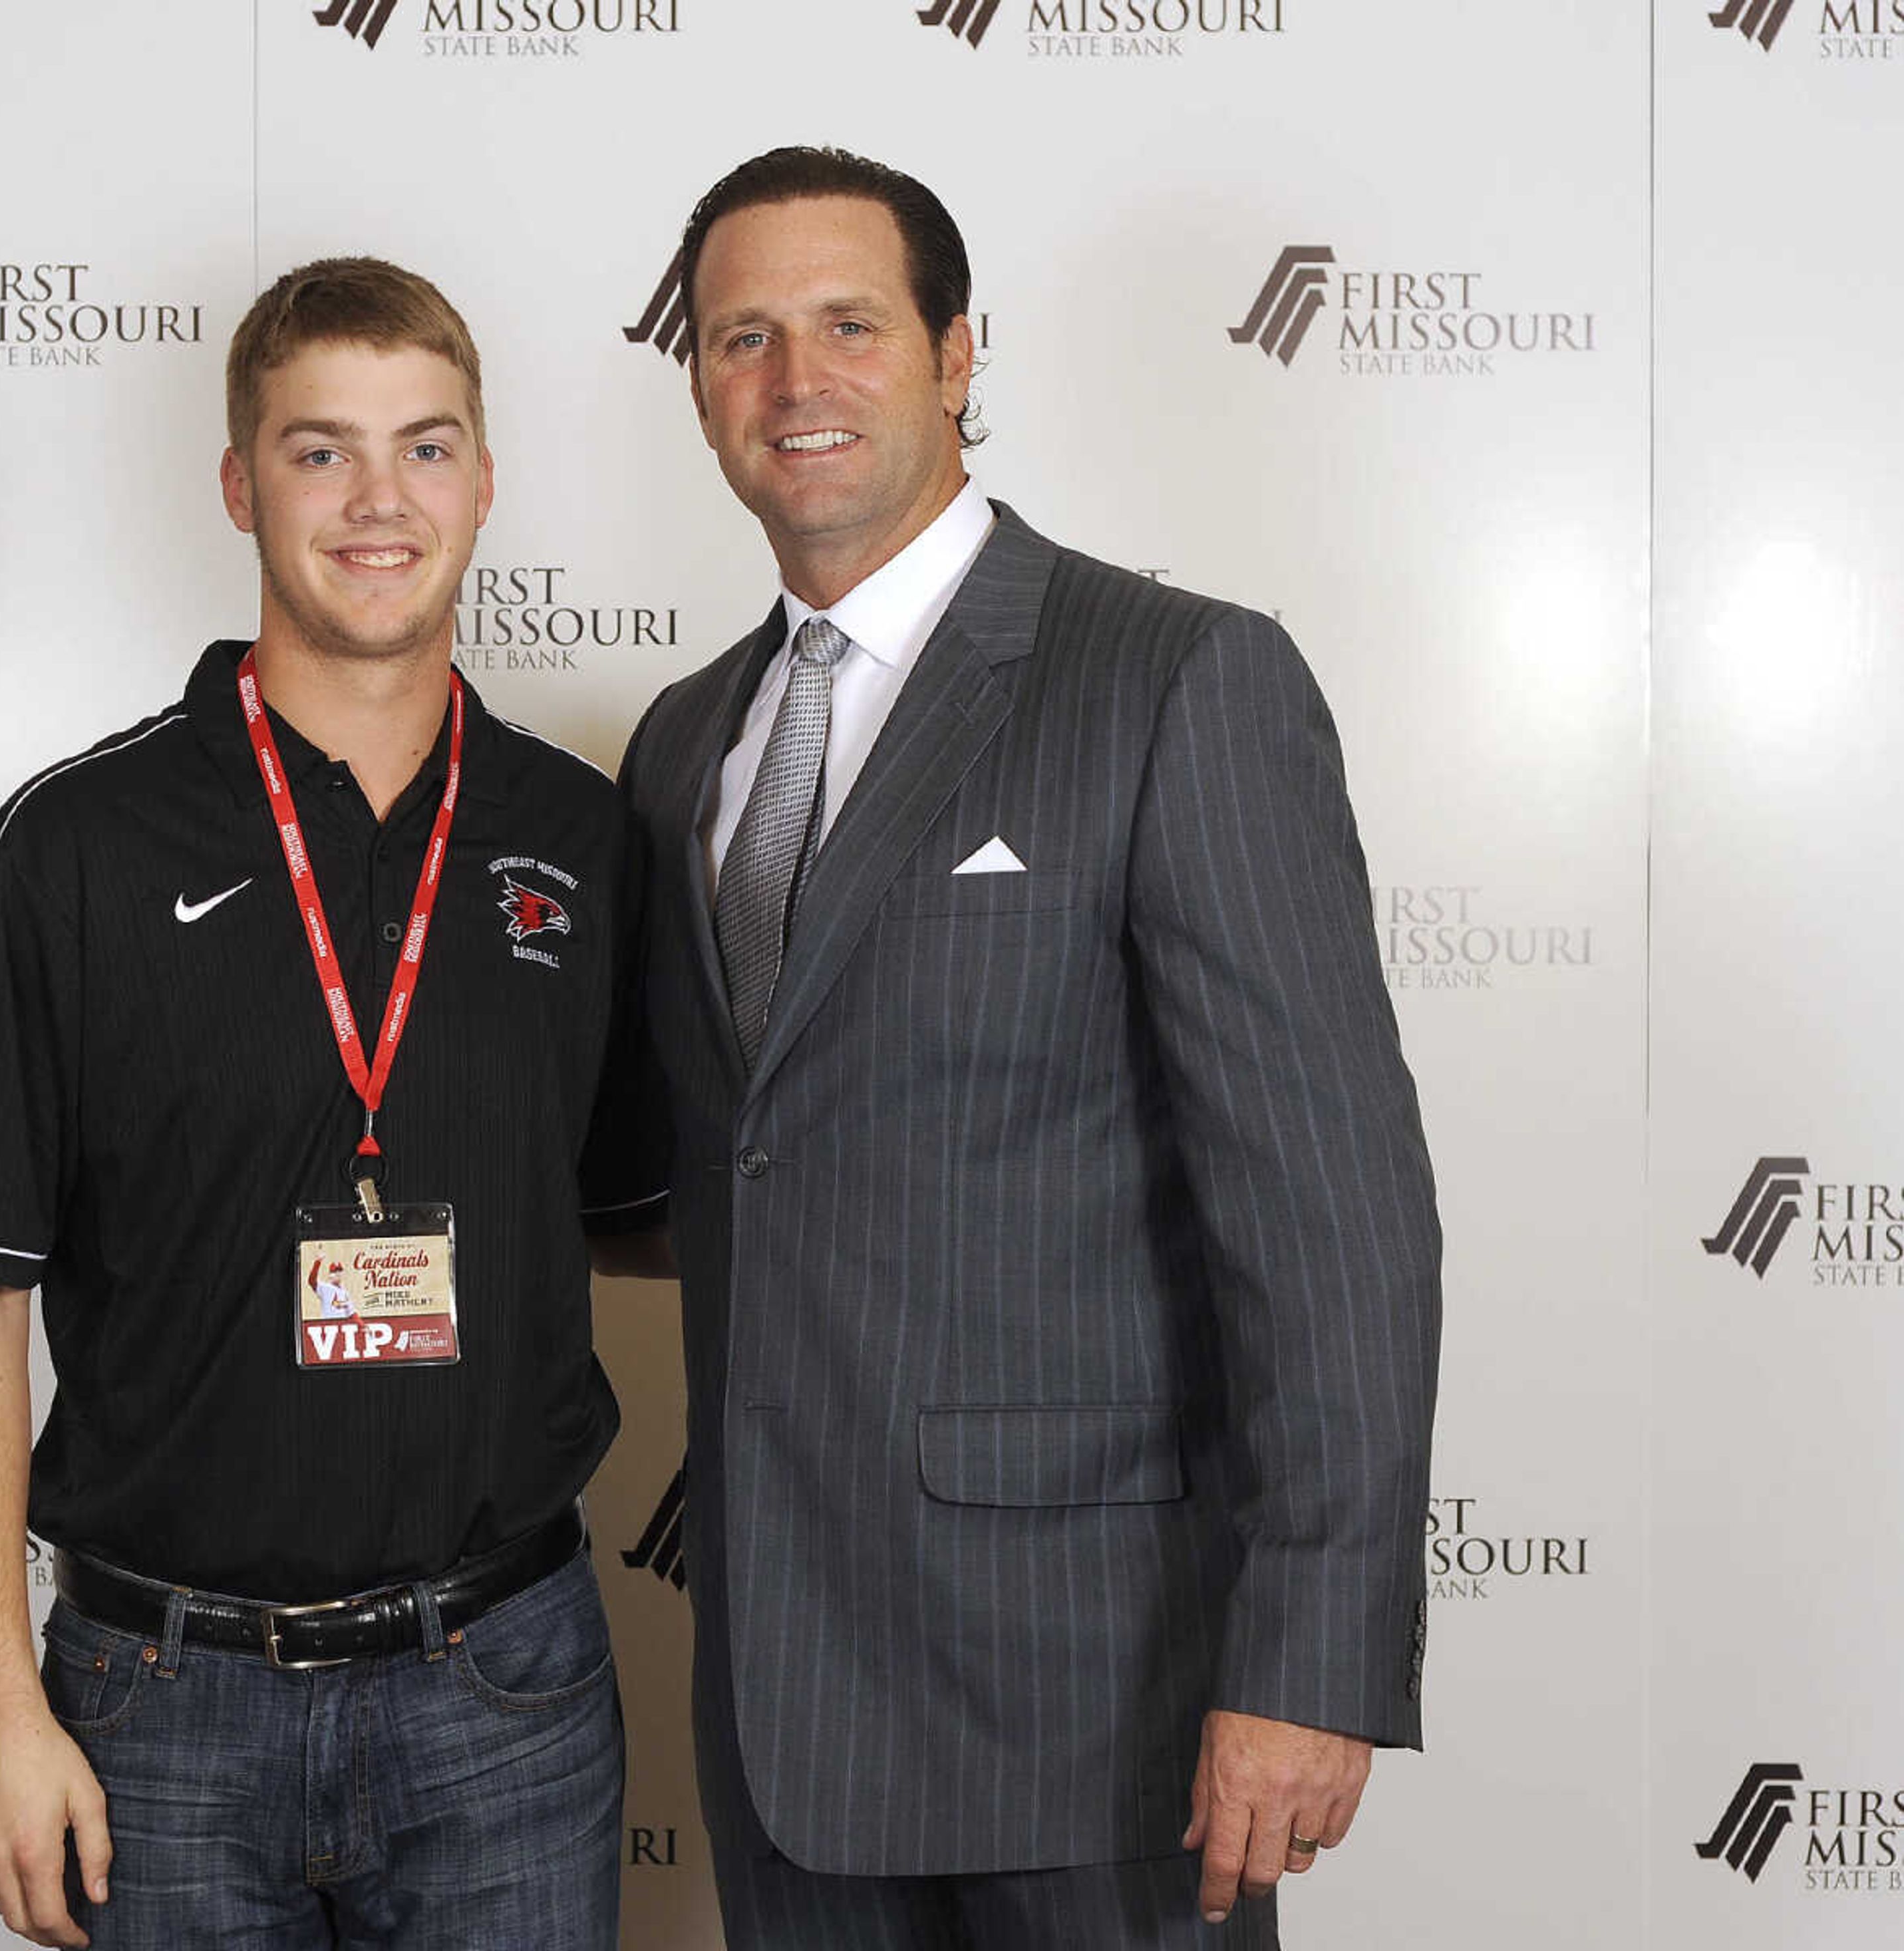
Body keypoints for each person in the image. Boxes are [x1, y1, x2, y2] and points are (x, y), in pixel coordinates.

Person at [615, 147, 1444, 1948]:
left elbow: (1333, 1222)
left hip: (1103, 1717)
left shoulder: (1175, 679)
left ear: (958, 352)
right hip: (782, 1714)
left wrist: (1307, 1659)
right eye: (742, 337)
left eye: (849, 323)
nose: (794, 378)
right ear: (697, 387)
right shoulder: (685, 745)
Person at [0, 256, 663, 1950]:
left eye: (427, 447)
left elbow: (655, 1212)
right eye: (322, 451)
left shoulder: (583, 843)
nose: (382, 501)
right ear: (241, 483)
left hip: (506, 1693)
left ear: (486, 479)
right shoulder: (72, 850)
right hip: (158, 1708)